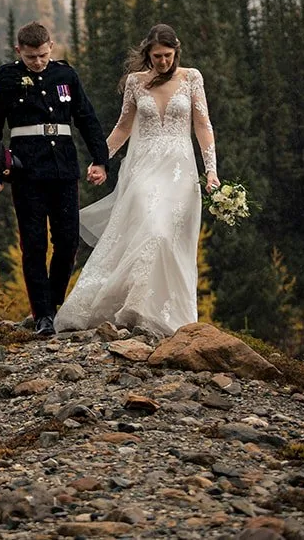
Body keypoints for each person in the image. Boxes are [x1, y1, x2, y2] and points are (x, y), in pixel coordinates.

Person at [55, 23, 219, 337]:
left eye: (168, 55)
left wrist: (211, 170)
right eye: (157, 56)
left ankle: (161, 312)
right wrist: (101, 160)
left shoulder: (191, 78)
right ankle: (133, 305)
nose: (163, 62)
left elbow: (203, 125)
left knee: (169, 239)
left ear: (176, 51)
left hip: (179, 171)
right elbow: (123, 126)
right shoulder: (135, 83)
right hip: (143, 168)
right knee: (152, 229)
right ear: (148, 54)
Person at [0, 22, 110, 337]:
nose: (37, 62)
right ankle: (43, 316)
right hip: (27, 172)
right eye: (30, 57)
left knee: (67, 242)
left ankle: (54, 302)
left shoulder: (66, 76)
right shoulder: (6, 77)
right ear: (18, 52)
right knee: (34, 244)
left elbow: (86, 118)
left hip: (64, 168)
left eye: (41, 55)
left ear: (51, 46)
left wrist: (101, 160)